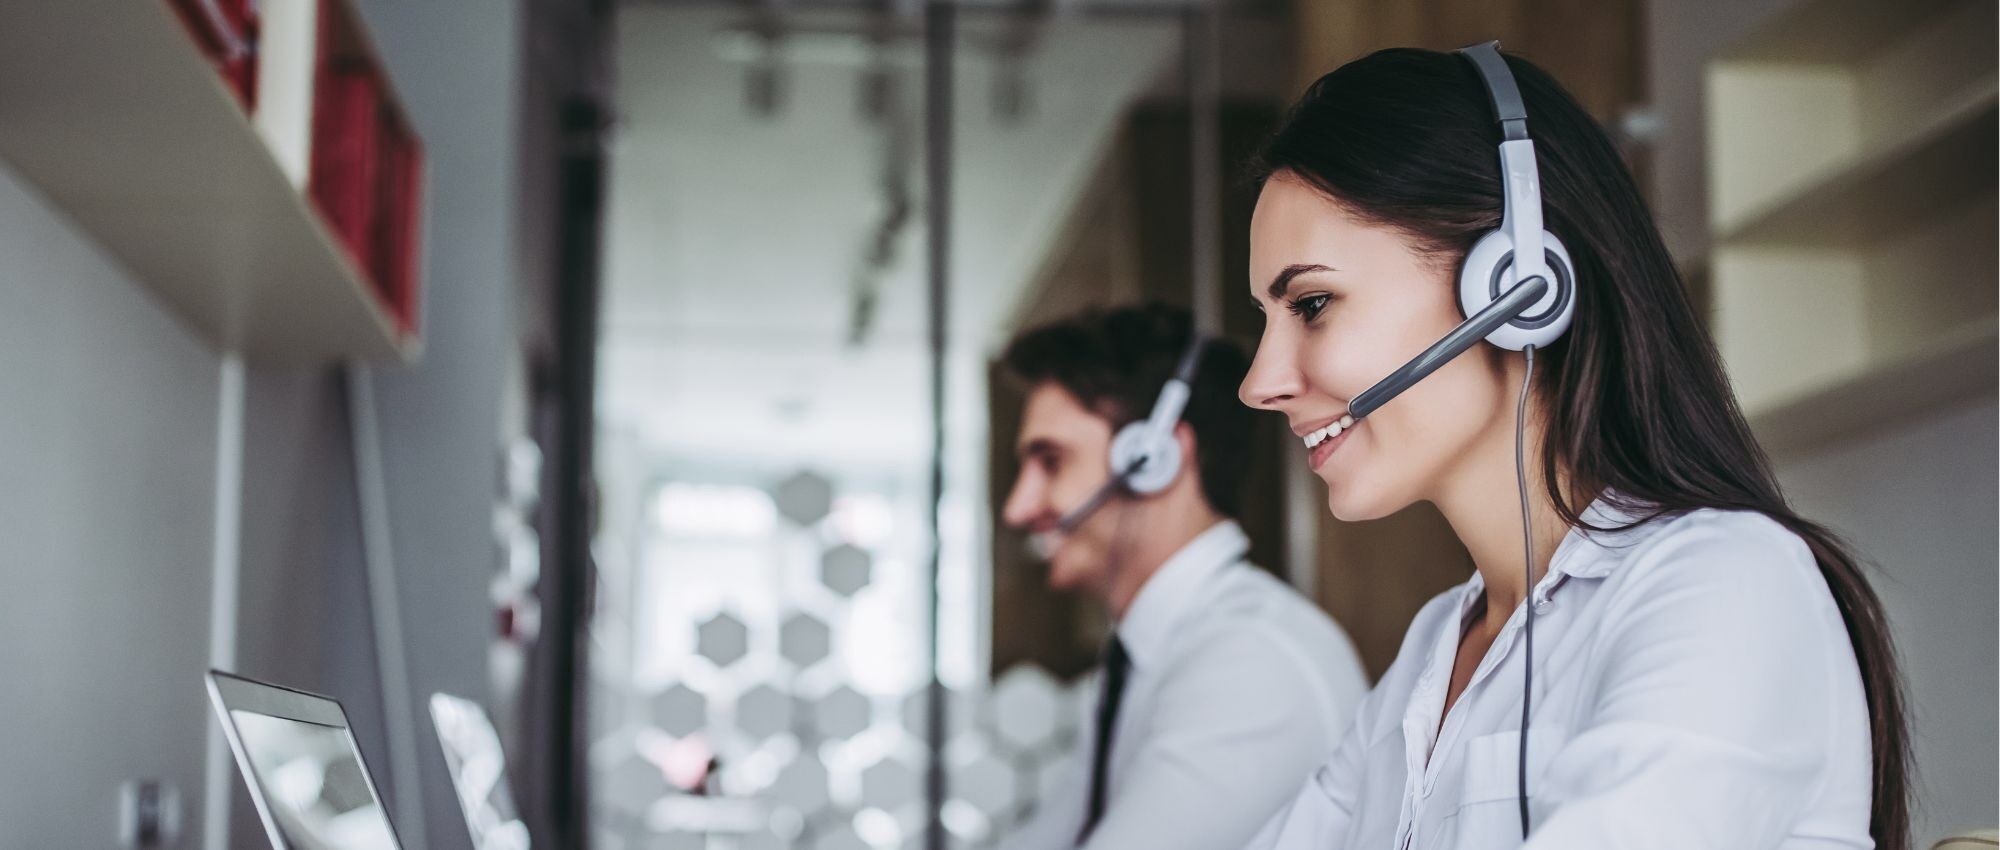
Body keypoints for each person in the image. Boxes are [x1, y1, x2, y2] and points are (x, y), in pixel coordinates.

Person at [1236, 46, 1908, 850]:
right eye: (1265, 320)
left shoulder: (1727, 582)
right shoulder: (1437, 646)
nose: (1260, 382)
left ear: (1517, 284)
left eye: (1312, 304)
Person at [994, 304, 1368, 850]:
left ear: (1155, 458)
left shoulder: (1248, 664)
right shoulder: (1141, 656)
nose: (1018, 507)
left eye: (1050, 461)